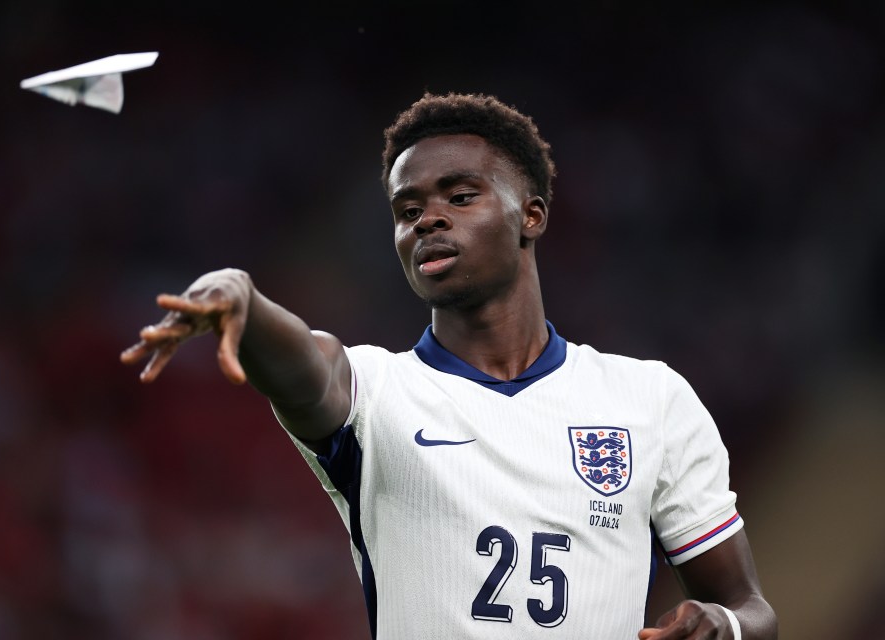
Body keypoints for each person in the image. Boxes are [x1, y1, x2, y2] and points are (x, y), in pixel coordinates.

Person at [121, 92, 777, 639]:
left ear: (531, 216)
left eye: (459, 197)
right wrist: (242, 294)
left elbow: (752, 607)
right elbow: (305, 364)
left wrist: (724, 625)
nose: (428, 219)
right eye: (408, 211)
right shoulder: (376, 393)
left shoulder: (650, 400)